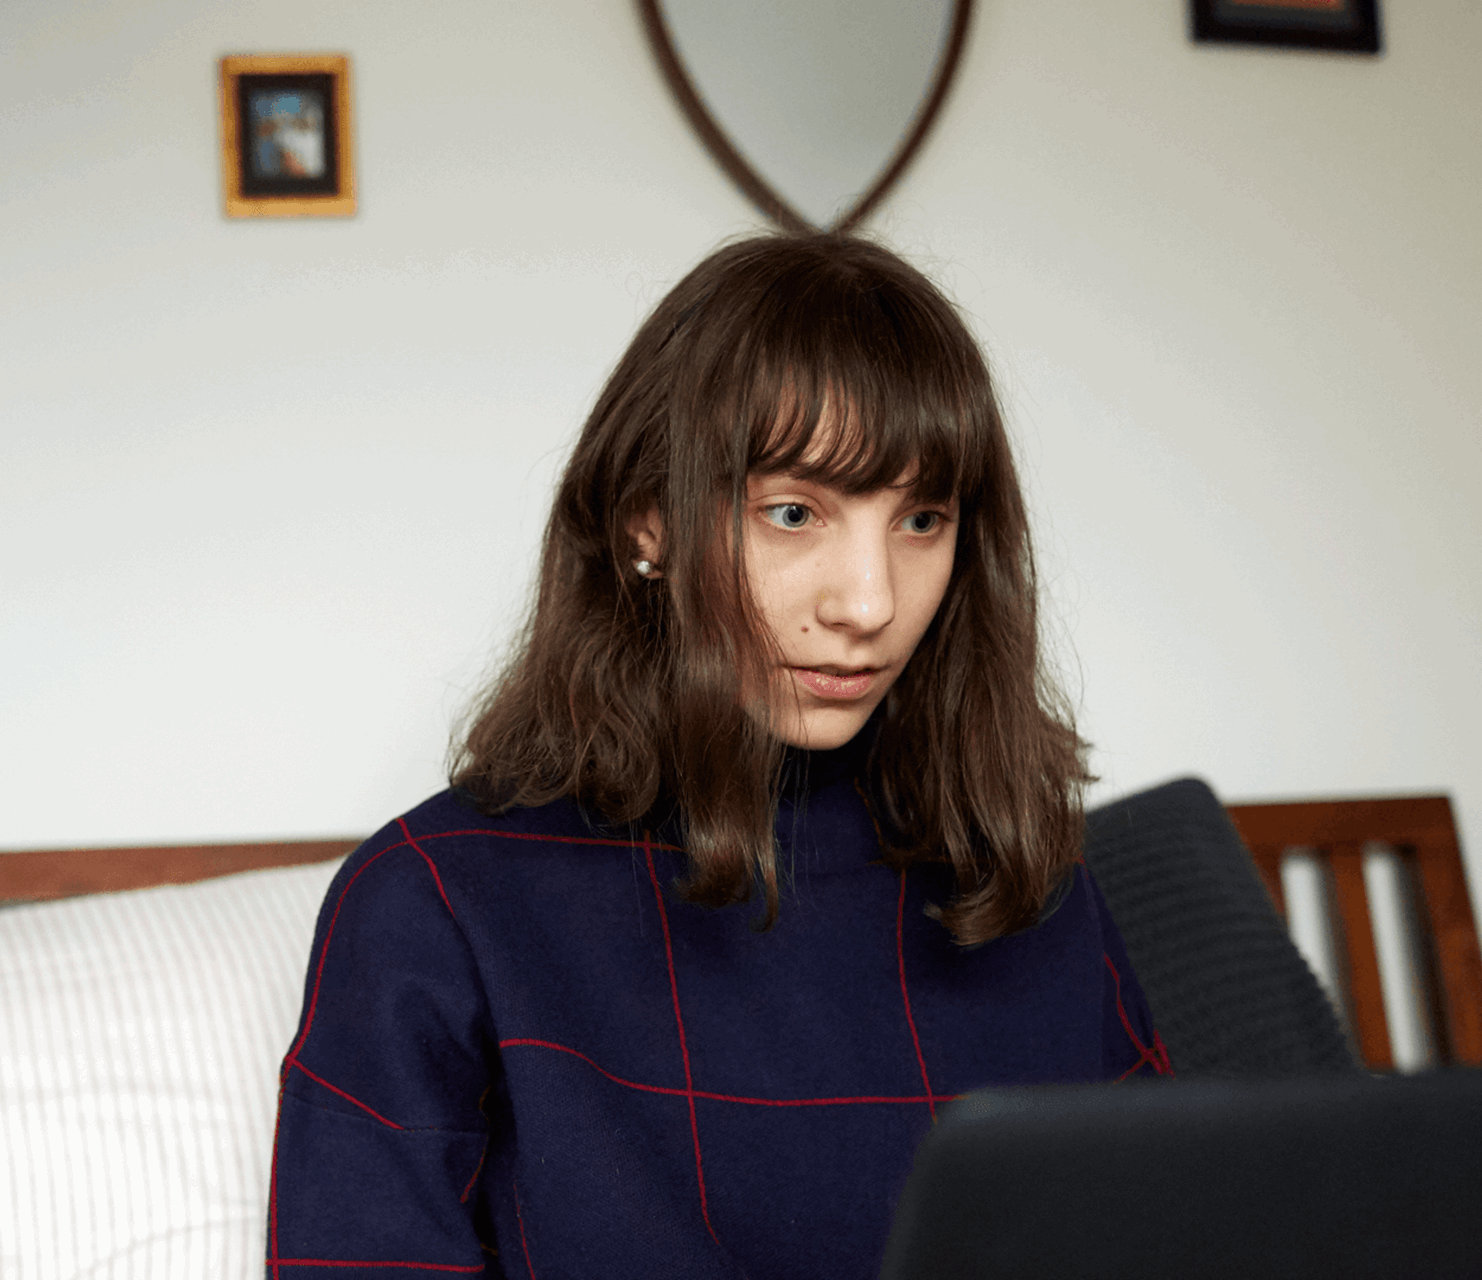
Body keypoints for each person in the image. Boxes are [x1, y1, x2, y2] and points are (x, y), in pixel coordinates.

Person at [265, 232, 1169, 1279]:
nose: (869, 602)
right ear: (646, 521)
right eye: (794, 513)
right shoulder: (436, 898)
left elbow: (1172, 1236)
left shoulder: (1020, 868)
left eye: (922, 518)